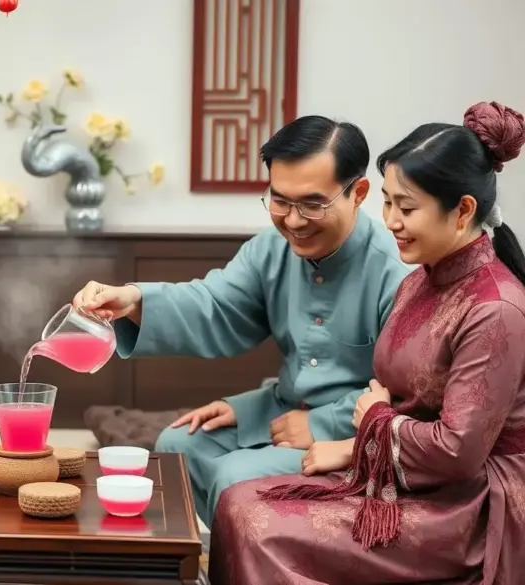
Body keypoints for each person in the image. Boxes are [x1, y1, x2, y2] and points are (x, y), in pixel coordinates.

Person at [209, 101, 525, 585]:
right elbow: (400, 402)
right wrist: (354, 443)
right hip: (403, 471)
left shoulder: (495, 307)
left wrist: (373, 426)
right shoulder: (420, 281)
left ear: (462, 211)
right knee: (237, 502)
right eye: (388, 201)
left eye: (407, 207)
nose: (390, 220)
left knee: (259, 521)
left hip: (468, 505)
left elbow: (459, 453)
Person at [73, 115, 411, 526]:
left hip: (352, 430)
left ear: (357, 193)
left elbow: (406, 394)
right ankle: (214, 558)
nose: (294, 220)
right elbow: (216, 305)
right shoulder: (272, 247)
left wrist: (321, 424)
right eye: (280, 200)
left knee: (234, 479)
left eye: (312, 203)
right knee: (179, 444)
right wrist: (135, 300)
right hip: (283, 406)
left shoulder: (397, 272)